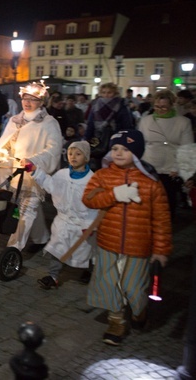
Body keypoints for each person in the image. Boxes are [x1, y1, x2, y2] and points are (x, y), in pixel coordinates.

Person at [82, 129, 171, 345]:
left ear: (137, 152)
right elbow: (89, 199)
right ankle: (116, 322)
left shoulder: (150, 183)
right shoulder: (102, 175)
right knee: (111, 284)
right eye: (114, 148)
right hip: (108, 243)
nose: (118, 153)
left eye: (125, 148)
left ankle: (139, 312)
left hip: (138, 247)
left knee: (134, 288)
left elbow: (161, 219)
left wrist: (160, 250)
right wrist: (114, 194)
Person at [0, 81, 62, 251]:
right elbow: (6, 143)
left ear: (41, 102)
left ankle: (13, 248)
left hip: (33, 174)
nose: (27, 102)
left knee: (26, 210)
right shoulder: (15, 120)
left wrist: (34, 162)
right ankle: (41, 237)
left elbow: (53, 150)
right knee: (24, 208)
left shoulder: (49, 123)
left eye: (33, 99)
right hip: (15, 173)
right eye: (25, 98)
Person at [31, 141, 97, 289]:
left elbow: (95, 206)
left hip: (83, 224)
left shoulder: (92, 181)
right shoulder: (62, 175)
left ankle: (89, 271)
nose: (73, 157)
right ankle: (53, 276)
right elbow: (50, 184)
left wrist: (90, 225)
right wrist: (35, 171)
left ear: (86, 157)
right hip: (63, 222)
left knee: (87, 250)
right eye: (70, 153)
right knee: (57, 248)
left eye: (78, 154)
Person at [138, 89, 194, 215]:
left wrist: (178, 167)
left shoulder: (183, 122)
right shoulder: (146, 120)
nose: (160, 109)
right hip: (149, 164)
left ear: (172, 105)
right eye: (157, 106)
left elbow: (186, 148)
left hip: (170, 167)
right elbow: (141, 144)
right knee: (148, 199)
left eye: (164, 107)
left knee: (167, 201)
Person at [84, 83, 134, 170]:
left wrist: (124, 142)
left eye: (109, 92)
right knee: (98, 166)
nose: (106, 95)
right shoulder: (95, 105)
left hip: (116, 141)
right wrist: (86, 139)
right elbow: (91, 124)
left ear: (115, 93)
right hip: (98, 141)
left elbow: (127, 125)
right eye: (103, 92)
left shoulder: (121, 105)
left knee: (114, 167)